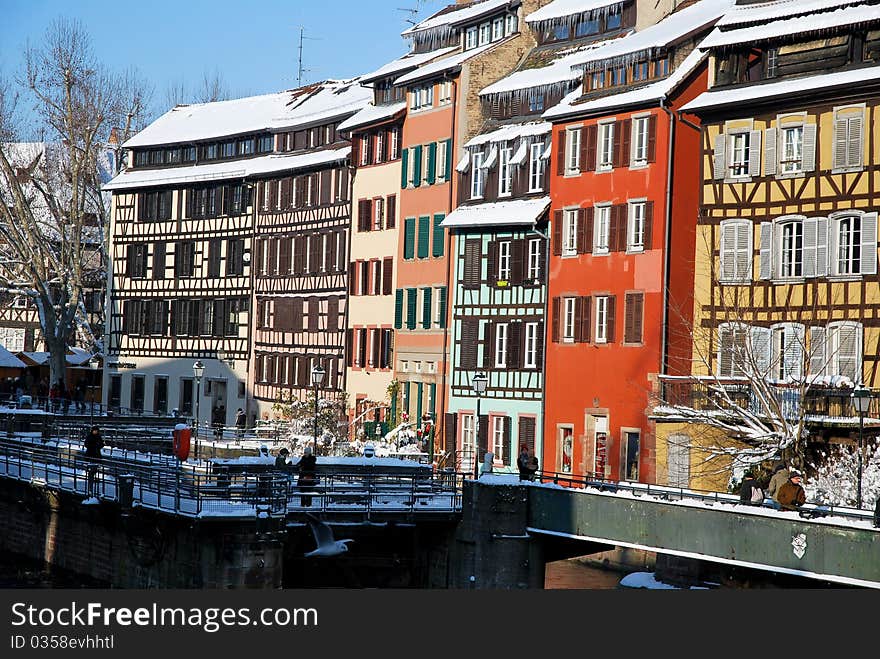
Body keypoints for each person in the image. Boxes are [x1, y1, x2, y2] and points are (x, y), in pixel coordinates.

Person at [83, 425, 104, 498]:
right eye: (94, 430)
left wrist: (99, 445)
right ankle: (91, 479)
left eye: (96, 431)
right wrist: (92, 445)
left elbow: (102, 444)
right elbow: (86, 444)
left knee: (95, 467)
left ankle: (92, 478)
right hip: (90, 454)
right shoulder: (89, 437)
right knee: (91, 467)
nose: (95, 432)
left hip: (96, 454)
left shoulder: (99, 437)